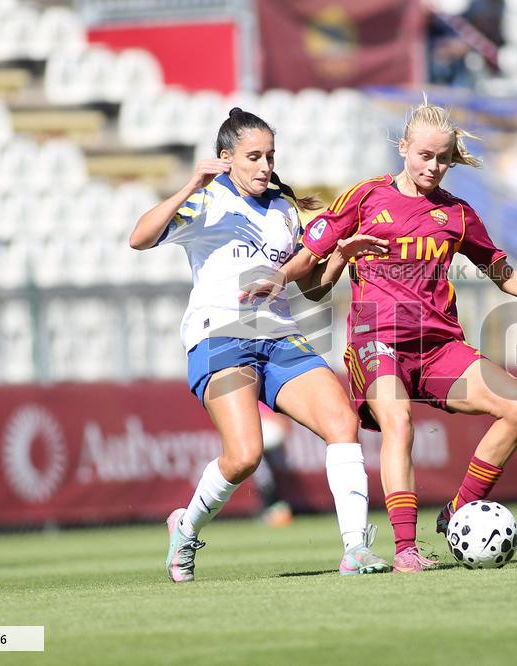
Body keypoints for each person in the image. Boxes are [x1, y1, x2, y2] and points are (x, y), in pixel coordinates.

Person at [241, 100, 517, 572]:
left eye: (443, 158)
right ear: (403, 148)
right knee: (399, 422)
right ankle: (405, 547)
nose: (435, 166)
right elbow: (311, 260)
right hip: (375, 339)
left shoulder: (458, 214)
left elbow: (504, 276)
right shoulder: (365, 197)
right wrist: (284, 277)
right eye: (425, 155)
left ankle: (458, 510)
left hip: (438, 348)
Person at [130, 108, 391, 582]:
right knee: (245, 455)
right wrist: (191, 183)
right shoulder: (205, 202)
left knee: (341, 421)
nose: (265, 166)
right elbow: (139, 238)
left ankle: (355, 549)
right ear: (225, 159)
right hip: (221, 336)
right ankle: (185, 529)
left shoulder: (283, 209)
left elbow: (310, 290)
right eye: (254, 156)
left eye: (270, 155)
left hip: (279, 337)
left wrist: (339, 260)